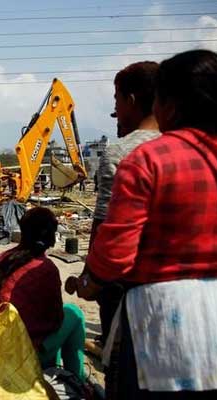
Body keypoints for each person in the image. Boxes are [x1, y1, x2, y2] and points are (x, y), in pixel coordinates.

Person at [77, 50, 217, 398]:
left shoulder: (147, 160)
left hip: (166, 324)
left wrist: (91, 281)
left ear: (169, 103)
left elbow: (116, 253)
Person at [67, 61, 161, 345]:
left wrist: (87, 280)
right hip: (174, 285)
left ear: (130, 100)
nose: (116, 110)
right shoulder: (185, 146)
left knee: (121, 363)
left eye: (116, 100)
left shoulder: (120, 152)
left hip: (126, 284)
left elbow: (106, 226)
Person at [0, 207, 85, 381]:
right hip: (10, 357)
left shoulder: (3, 258)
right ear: (52, 236)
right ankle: (77, 383)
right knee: (74, 314)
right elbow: (55, 319)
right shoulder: (45, 268)